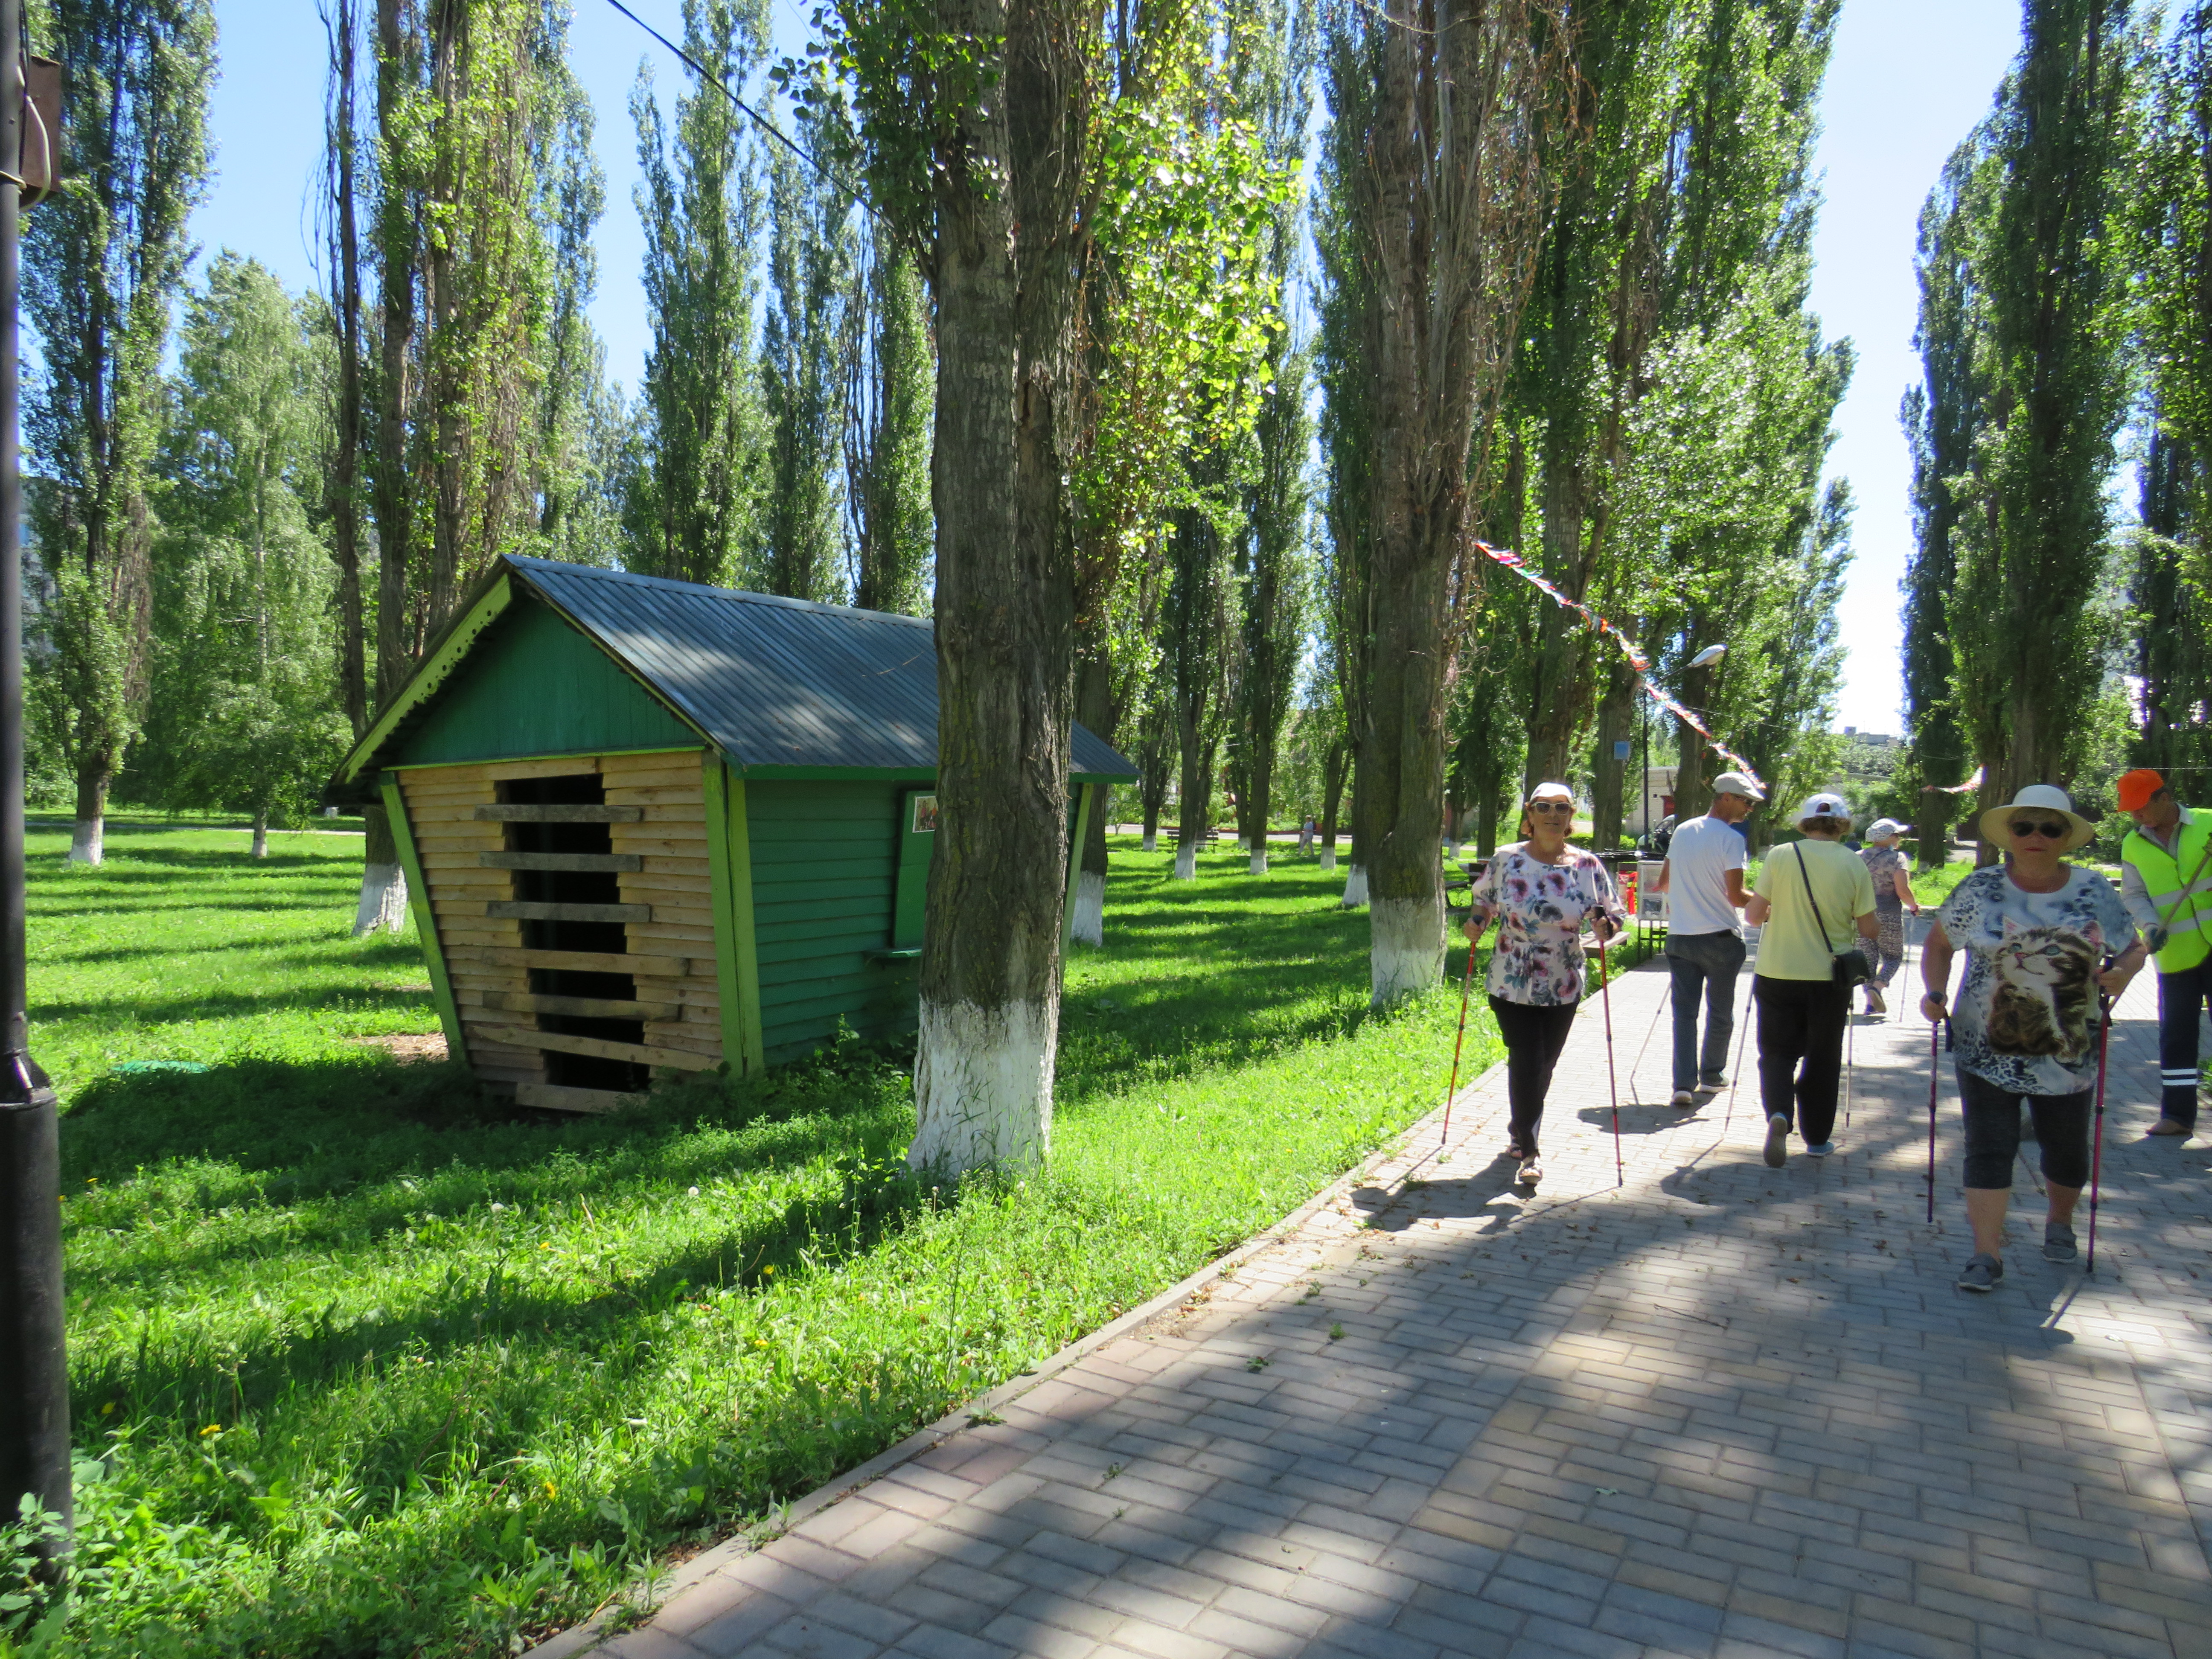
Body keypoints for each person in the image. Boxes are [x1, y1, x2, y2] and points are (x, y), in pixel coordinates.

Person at [1921, 785, 2145, 1291]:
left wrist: (2124, 974)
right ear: (2010, 836)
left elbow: (2134, 948)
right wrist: (1933, 991)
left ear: (2067, 837)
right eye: (2025, 827)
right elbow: (1938, 945)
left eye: (2050, 828)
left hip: (2069, 1051)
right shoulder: (1978, 890)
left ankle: (2060, 1221)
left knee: (2064, 1150)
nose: (2036, 837)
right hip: (1983, 1048)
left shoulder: (2093, 891)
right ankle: (1986, 1254)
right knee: (1988, 1145)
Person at [1464, 782, 1626, 1187]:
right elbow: (1485, 899)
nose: (1553, 815)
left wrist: (1607, 926)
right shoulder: (1507, 860)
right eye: (1544, 807)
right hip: (1511, 976)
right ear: (1530, 816)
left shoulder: (1587, 866)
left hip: (1564, 980)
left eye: (1562, 808)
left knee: (1545, 1063)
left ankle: (1520, 1130)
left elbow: (1615, 915)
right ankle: (1531, 1151)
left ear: (1571, 817)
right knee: (1527, 1058)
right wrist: (1477, 921)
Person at [1743, 793, 1879, 1167]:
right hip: (1829, 978)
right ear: (1843, 825)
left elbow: (1754, 917)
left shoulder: (1781, 855)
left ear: (1804, 823)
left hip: (1776, 970)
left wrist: (1781, 909)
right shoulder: (1855, 863)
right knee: (1822, 1057)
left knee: (1776, 1052)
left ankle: (1779, 1114)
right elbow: (1869, 927)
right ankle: (1817, 1139)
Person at [1654, 771, 1763, 1107]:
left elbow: (1664, 884)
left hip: (1681, 938)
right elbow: (1735, 896)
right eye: (1746, 801)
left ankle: (1682, 1084)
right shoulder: (1731, 839)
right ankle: (1712, 1076)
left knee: (1684, 1015)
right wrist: (1764, 904)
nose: (1749, 809)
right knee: (1720, 1012)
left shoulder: (1683, 830)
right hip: (1720, 939)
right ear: (1726, 797)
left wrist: (1693, 890)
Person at [2116, 768, 2210, 1138]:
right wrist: (2150, 926)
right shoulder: (2133, 845)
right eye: (2130, 810)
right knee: (2176, 1034)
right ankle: (2177, 1115)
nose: (2135, 815)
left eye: (2141, 807)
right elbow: (2135, 894)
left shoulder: (2208, 823)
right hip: (2176, 954)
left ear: (2164, 797)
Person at [1858, 818, 1921, 1016]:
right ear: (1888, 838)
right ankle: (1877, 987)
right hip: (1889, 914)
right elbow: (1902, 889)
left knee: (1867, 960)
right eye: (1897, 835)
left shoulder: (1857, 857)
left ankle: (1870, 1002)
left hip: (1862, 914)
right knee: (1893, 957)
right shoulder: (1898, 858)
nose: (1899, 838)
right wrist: (1913, 906)